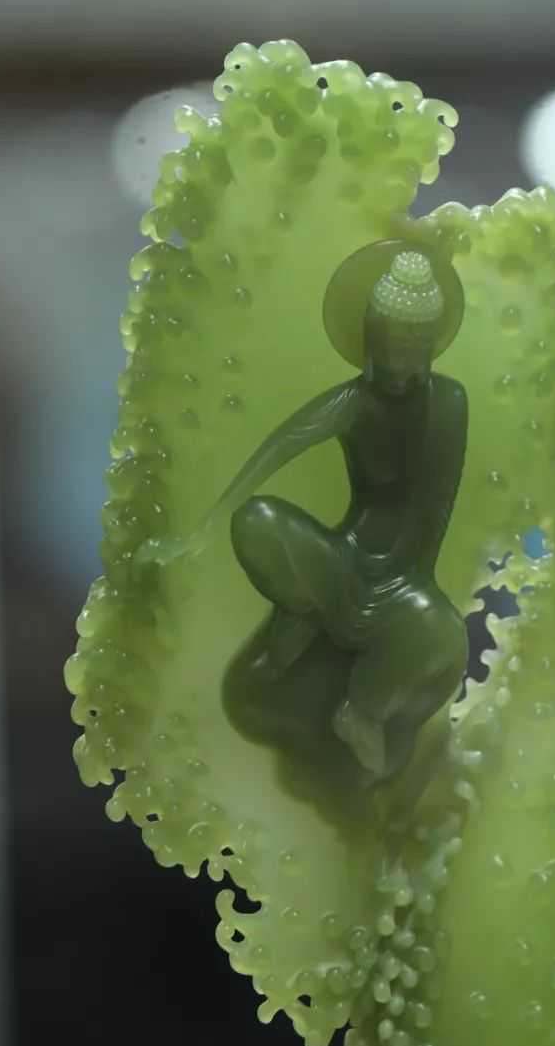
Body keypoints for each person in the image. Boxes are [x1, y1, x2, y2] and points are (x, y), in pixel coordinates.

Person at [143, 245, 469, 784]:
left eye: (413, 345)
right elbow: (277, 450)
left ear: (431, 346)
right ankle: (303, 609)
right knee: (257, 520)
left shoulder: (448, 404)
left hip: (404, 579)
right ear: (370, 339)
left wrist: (402, 585)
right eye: (389, 342)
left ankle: (363, 710)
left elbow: (437, 506)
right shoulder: (352, 402)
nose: (398, 358)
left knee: (443, 634)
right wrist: (201, 531)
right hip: (342, 560)